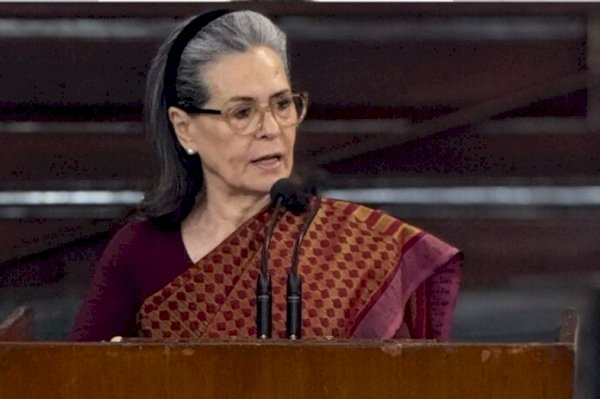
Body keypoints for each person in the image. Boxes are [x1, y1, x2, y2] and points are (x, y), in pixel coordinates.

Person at [68, 9, 462, 342]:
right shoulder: (139, 251)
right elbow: (76, 383)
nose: (271, 128)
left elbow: (408, 389)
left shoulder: (356, 246)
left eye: (282, 104)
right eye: (242, 112)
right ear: (185, 128)